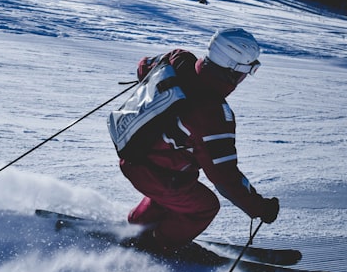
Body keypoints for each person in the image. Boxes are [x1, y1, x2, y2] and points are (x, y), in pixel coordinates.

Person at [119, 28, 279, 254]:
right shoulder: (213, 115)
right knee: (204, 206)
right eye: (249, 70)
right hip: (156, 173)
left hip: (132, 153)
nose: (246, 78)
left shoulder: (179, 59)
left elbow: (143, 66)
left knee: (180, 187)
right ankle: (158, 245)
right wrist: (261, 208)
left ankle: (138, 226)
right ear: (233, 70)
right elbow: (225, 178)